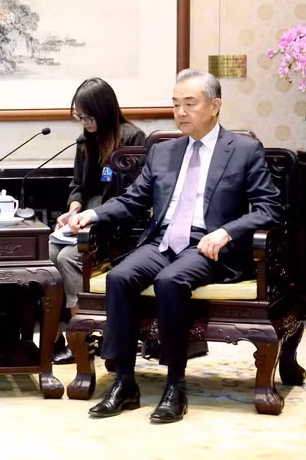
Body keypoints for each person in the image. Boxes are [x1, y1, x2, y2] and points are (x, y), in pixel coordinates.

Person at [69, 69, 283, 423]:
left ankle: (175, 384)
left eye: (189, 104)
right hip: (164, 240)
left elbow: (270, 207)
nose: (180, 112)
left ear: (214, 106)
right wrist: (92, 215)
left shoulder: (243, 150)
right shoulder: (164, 151)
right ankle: (124, 382)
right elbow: (133, 200)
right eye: (175, 104)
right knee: (119, 277)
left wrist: (227, 232)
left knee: (171, 281)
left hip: (209, 246)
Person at [50, 77, 146, 365]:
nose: (84, 122)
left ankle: (85, 335)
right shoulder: (85, 141)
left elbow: (136, 198)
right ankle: (55, 339)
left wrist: (94, 216)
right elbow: (78, 186)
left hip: (118, 228)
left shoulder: (132, 140)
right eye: (79, 116)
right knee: (49, 255)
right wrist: (73, 208)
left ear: (104, 111)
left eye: (88, 116)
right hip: (84, 223)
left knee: (69, 258)